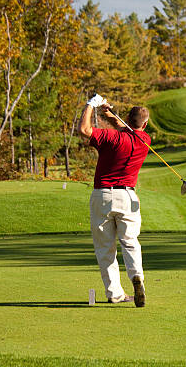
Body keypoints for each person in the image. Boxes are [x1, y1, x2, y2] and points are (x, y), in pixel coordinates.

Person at [78, 94, 149, 307]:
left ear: (128, 118)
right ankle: (137, 276)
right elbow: (126, 127)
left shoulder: (111, 138)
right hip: (127, 196)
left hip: (102, 196)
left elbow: (84, 130)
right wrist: (107, 111)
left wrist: (91, 105)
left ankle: (115, 293)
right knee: (130, 241)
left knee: (105, 248)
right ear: (145, 124)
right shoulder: (145, 141)